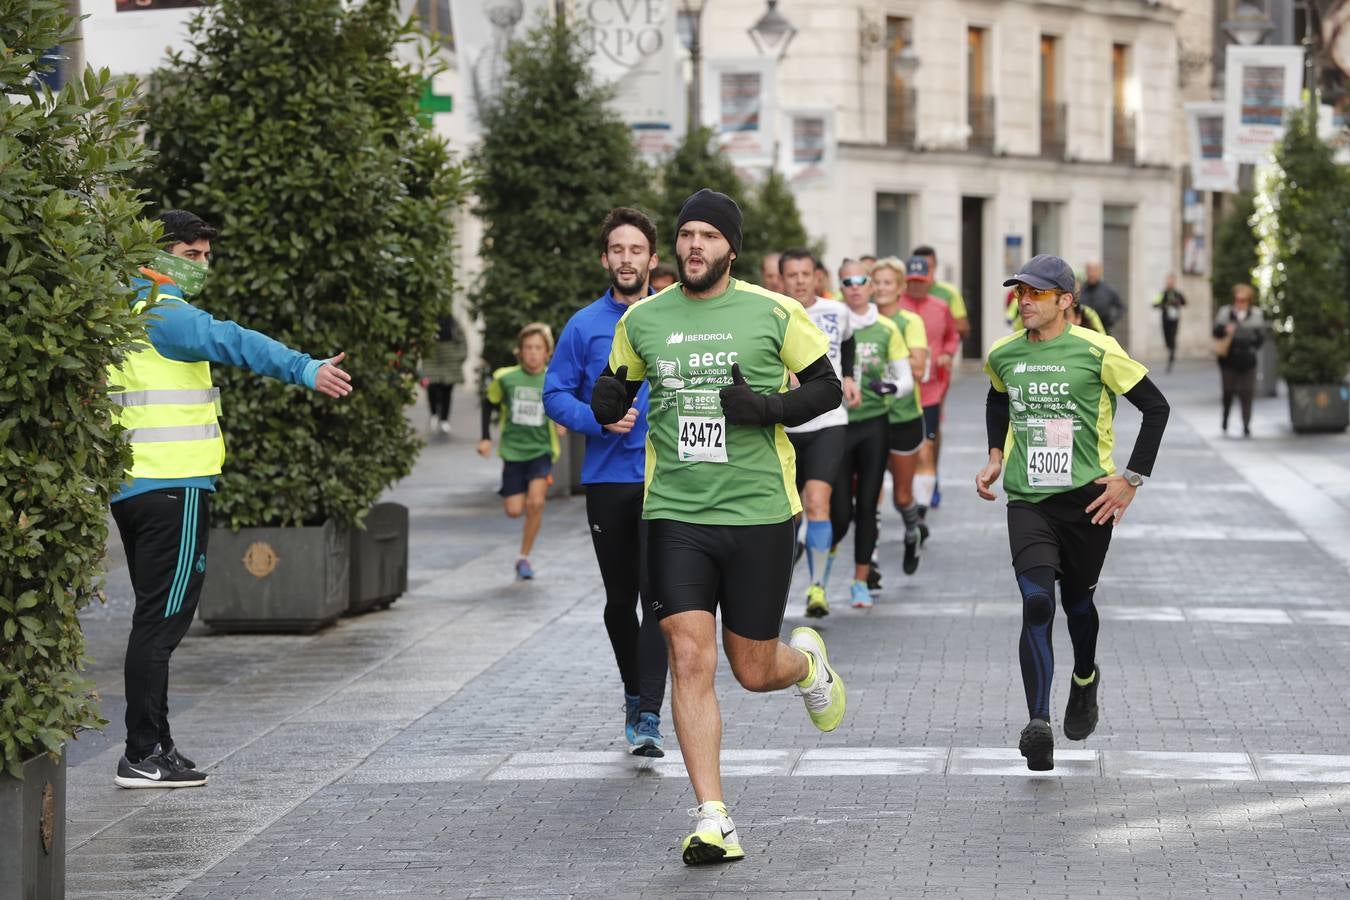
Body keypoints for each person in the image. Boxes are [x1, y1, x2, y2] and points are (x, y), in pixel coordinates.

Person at [590, 188, 846, 866]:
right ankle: (713, 817)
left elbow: (826, 388)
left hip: (760, 509)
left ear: (730, 247)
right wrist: (607, 398)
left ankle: (807, 665)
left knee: (753, 666)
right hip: (675, 510)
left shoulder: (773, 311)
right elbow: (618, 381)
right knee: (689, 657)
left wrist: (765, 407)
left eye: (708, 235)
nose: (694, 245)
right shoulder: (645, 319)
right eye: (687, 235)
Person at [109, 210, 353, 789]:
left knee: (154, 619)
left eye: (206, 256)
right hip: (175, 485)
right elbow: (231, 339)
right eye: (191, 256)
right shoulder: (164, 313)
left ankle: (158, 745)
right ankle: (142, 752)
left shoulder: (119, 309)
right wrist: (305, 368)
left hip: (134, 487)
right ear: (158, 255)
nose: (202, 267)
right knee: (161, 624)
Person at [977, 254, 1170, 772]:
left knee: (1078, 606)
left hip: (1087, 499)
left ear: (1065, 301)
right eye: (1021, 293)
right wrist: (997, 455)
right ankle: (1038, 724)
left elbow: (1157, 408)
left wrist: (1131, 479)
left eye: (1036, 294)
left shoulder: (1098, 350)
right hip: (1028, 499)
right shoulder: (1004, 354)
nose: (1025, 302)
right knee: (1037, 603)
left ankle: (1085, 677)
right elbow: (999, 400)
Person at [543, 208, 670, 757]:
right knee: (621, 601)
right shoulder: (583, 325)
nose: (626, 259)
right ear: (605, 259)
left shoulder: (675, 319)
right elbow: (554, 394)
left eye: (635, 250)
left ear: (651, 260)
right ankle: (632, 689)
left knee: (660, 598)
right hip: (608, 480)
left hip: (669, 480)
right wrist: (598, 419)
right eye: (617, 250)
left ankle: (648, 714)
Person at [778, 247, 858, 617]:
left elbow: (848, 344)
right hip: (786, 424)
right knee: (788, 514)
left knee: (817, 502)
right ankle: (777, 582)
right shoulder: (773, 313)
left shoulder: (837, 312)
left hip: (829, 421)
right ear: (781, 279)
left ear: (817, 277)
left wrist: (849, 378)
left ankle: (817, 588)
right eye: (791, 274)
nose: (798, 280)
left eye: (805, 274)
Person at [831, 259, 913, 609]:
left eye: (861, 280)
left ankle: (860, 582)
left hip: (874, 424)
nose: (854, 286)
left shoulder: (886, 328)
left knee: (867, 504)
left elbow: (907, 380)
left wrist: (888, 386)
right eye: (846, 280)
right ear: (841, 285)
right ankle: (820, 574)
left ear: (870, 286)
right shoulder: (829, 323)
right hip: (835, 425)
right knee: (838, 512)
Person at [478, 323, 565, 580]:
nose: (533, 353)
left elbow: (562, 405)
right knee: (514, 511)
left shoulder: (553, 379)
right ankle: (526, 490)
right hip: (513, 452)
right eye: (528, 348)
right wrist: (484, 438)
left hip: (542, 450)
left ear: (547, 352)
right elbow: (488, 403)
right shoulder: (504, 378)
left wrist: (562, 422)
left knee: (536, 503)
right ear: (520, 351)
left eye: (538, 348)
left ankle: (523, 557)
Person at [872, 256, 930, 579]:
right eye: (876, 282)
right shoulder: (862, 321)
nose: (880, 288)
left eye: (887, 283)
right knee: (868, 493)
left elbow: (918, 369)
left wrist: (886, 367)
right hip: (868, 418)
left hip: (904, 416)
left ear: (900, 289)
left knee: (902, 495)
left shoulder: (910, 322)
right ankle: (871, 562)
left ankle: (913, 531)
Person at [899, 257, 960, 527]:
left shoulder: (940, 306)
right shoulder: (896, 308)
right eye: (911, 282)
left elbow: (952, 335)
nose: (916, 287)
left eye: (920, 283)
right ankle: (911, 486)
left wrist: (947, 354)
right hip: (902, 389)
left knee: (929, 442)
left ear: (929, 282)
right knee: (906, 444)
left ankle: (927, 488)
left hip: (931, 388)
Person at [1213, 283, 1265, 437]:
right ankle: (1225, 418)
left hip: (1248, 360)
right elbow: (1215, 331)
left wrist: (1252, 346)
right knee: (1228, 391)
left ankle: (1246, 424)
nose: (1239, 303)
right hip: (1229, 360)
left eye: (1243, 300)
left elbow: (1261, 337)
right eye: (1237, 299)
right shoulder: (1225, 313)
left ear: (1249, 301)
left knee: (1247, 393)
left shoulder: (1256, 315)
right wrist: (1225, 329)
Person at [911, 244, 970, 342]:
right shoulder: (901, 292)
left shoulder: (949, 292)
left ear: (935, 267)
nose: (924, 271)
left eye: (928, 267)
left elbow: (962, 328)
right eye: (920, 267)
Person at [423, 314, 466, 435]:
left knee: (447, 390)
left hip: (450, 359)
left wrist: (460, 356)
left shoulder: (452, 320)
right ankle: (434, 414)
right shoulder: (429, 318)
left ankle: (444, 419)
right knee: (432, 387)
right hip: (432, 357)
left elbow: (462, 339)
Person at [1079, 261, 1125, 335]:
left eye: (1094, 271)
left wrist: (1112, 320)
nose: (1092, 274)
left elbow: (1121, 307)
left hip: (1104, 331)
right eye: (1089, 270)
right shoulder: (1080, 290)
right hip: (1084, 331)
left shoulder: (1108, 290)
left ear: (1100, 272)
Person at [1153, 274, 1186, 373]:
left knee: (1172, 338)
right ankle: (1170, 348)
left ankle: (1171, 357)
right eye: (1168, 281)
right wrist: (1164, 305)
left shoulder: (1177, 293)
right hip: (1165, 319)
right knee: (1167, 338)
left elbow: (1184, 302)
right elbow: (1155, 304)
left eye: (1171, 281)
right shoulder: (1163, 293)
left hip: (1175, 319)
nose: (1169, 283)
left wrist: (1178, 303)